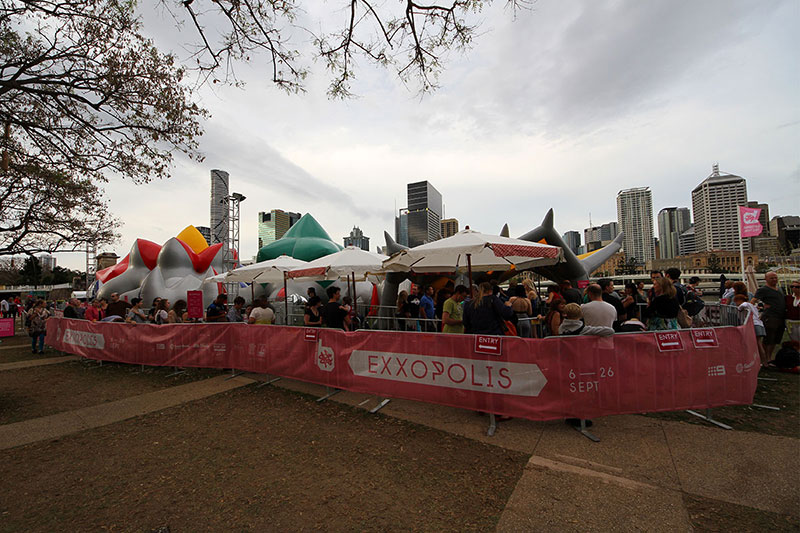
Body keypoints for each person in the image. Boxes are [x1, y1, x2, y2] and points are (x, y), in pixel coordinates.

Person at [754, 271, 786, 362]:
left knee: (776, 340)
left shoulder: (779, 289)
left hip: (781, 317)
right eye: (771, 278)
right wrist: (761, 306)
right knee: (768, 339)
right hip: (770, 317)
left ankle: (769, 357)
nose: (774, 279)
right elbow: (753, 300)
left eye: (775, 277)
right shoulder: (763, 289)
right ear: (766, 279)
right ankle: (764, 359)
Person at [733, 294, 767, 367]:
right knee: (759, 344)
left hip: (754, 325)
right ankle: (764, 361)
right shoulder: (753, 306)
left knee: (757, 344)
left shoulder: (746, 304)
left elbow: (742, 306)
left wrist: (739, 308)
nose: (736, 304)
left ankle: (762, 362)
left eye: (736, 302)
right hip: (760, 324)